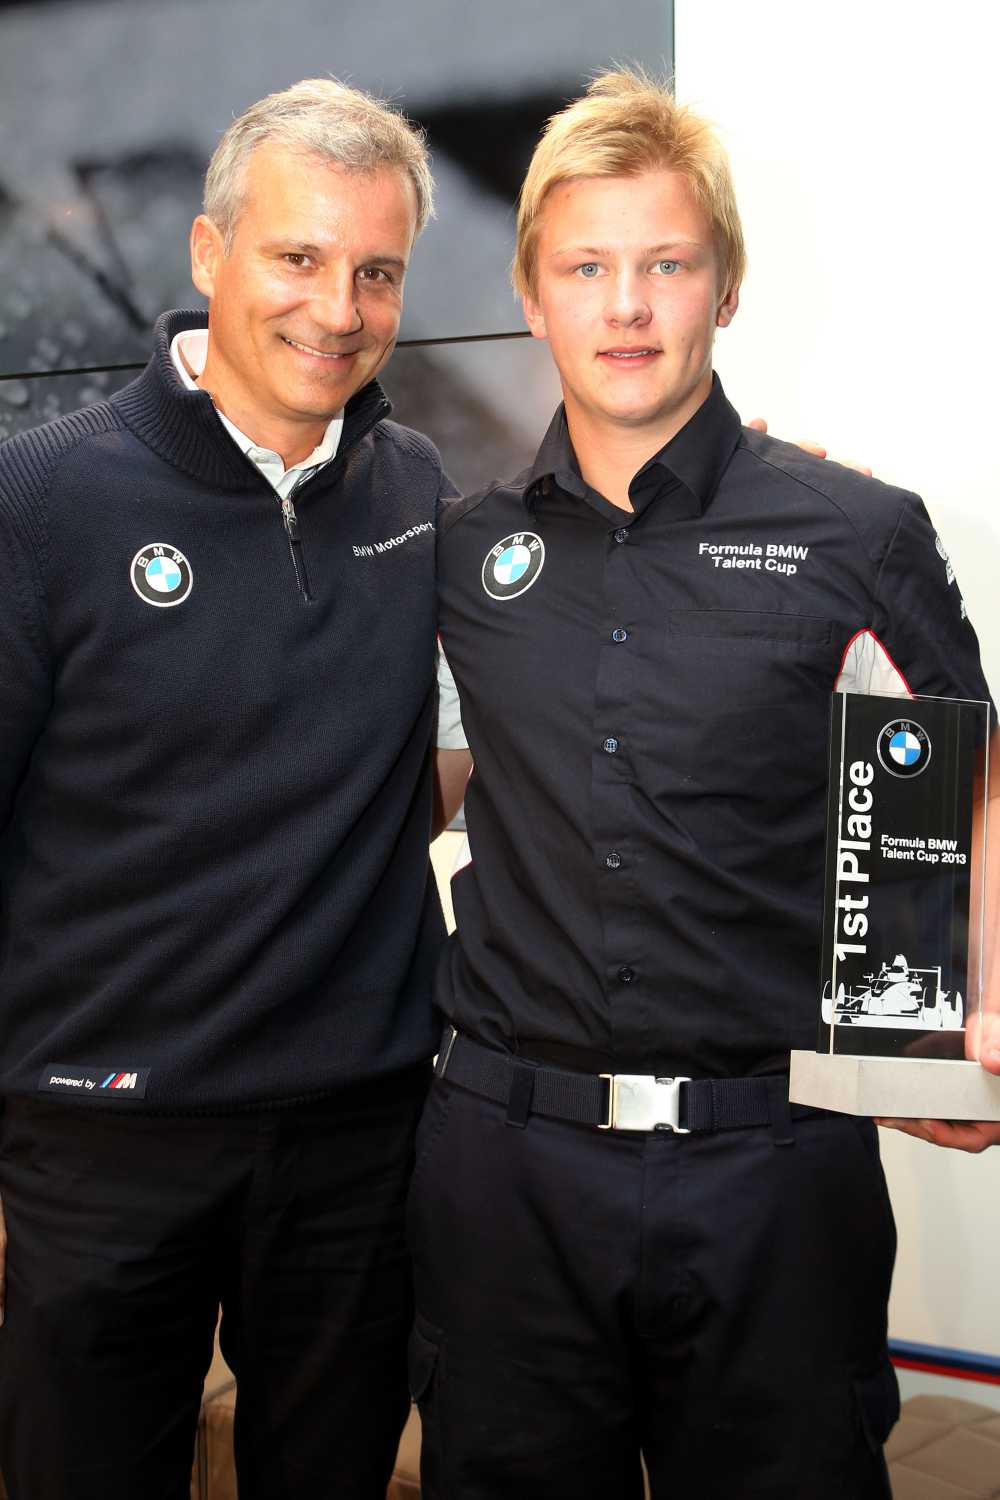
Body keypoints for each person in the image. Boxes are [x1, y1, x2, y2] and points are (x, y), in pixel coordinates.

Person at [413, 69, 1000, 1499]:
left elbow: (969, 783)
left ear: (725, 287)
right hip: (507, 1175)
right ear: (531, 296)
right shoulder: (457, 551)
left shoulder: (857, 531)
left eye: (666, 264)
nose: (627, 307)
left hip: (775, 1177)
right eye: (585, 269)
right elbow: (414, 779)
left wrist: (981, 1000)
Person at [0, 79, 471, 1499]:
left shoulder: (419, 489)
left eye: (375, 271)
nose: (338, 308)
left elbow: (431, 770)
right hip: (101, 1137)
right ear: (210, 252)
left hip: (358, 1138)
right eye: (297, 256)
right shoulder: (40, 499)